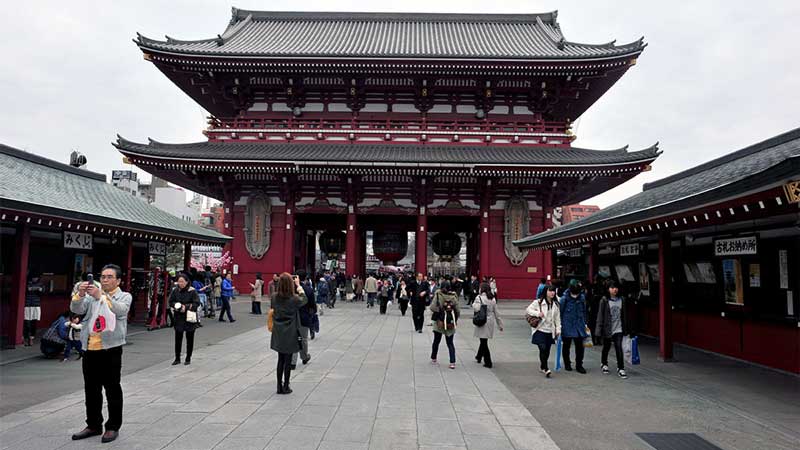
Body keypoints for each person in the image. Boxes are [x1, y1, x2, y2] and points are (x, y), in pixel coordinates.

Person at [70, 264, 132, 444]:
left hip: (110, 349)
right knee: (91, 389)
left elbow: (121, 311)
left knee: (112, 388)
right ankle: (93, 424)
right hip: (89, 348)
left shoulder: (124, 296)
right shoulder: (91, 296)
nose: (104, 279)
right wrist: (81, 294)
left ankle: (112, 426)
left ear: (118, 280)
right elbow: (77, 309)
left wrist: (102, 296)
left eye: (109, 277)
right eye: (103, 276)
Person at [271, 273, 305, 394]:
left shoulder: (274, 297)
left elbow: (273, 307)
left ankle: (279, 386)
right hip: (290, 331)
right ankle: (286, 385)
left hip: (278, 331)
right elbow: (304, 299)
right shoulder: (294, 299)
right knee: (288, 360)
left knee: (280, 359)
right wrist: (299, 286)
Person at [595, 280, 630, 379]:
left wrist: (627, 329)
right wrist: (598, 330)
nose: (615, 289)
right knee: (606, 346)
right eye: (612, 287)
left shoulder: (622, 299)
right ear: (608, 289)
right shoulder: (604, 300)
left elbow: (625, 315)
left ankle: (621, 368)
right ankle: (604, 363)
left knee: (619, 347)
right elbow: (600, 316)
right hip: (608, 328)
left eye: (616, 287)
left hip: (618, 328)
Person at [527, 285, 561, 377]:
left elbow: (557, 319)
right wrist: (538, 313)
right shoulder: (538, 302)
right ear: (546, 292)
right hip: (539, 329)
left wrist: (558, 330)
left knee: (547, 351)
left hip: (550, 331)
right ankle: (546, 368)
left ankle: (542, 366)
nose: (552, 293)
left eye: (553, 291)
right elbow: (528, 310)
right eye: (550, 291)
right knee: (543, 348)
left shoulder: (556, 305)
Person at [169, 273, 200, 366]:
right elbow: (171, 301)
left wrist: (185, 307)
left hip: (189, 317)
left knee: (189, 339)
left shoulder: (192, 291)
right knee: (178, 338)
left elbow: (196, 303)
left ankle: (188, 358)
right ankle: (177, 358)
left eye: (182, 281)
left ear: (187, 282)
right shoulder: (175, 291)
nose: (180, 283)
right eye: (179, 281)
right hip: (178, 317)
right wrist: (176, 305)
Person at [429, 281, 460, 369]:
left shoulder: (438, 295)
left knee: (436, 341)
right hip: (450, 322)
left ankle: (434, 358)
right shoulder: (454, 296)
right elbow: (458, 310)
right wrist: (455, 319)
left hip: (440, 321)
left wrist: (440, 310)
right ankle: (452, 362)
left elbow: (432, 307)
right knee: (450, 343)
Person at [473, 282, 504, 369]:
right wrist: (500, 324)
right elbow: (497, 313)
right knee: (484, 340)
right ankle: (478, 356)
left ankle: (488, 361)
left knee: (483, 342)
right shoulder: (492, 299)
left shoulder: (479, 298)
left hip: (482, 320)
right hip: (490, 321)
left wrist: (474, 304)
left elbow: (476, 308)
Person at [560, 279, 588, 374]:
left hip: (579, 325)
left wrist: (585, 323)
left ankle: (579, 365)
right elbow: (560, 312)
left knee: (580, 347)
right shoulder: (564, 299)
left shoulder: (582, 298)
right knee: (566, 346)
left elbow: (584, 311)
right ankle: (567, 363)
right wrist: (559, 326)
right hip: (567, 325)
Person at [292, 273, 314, 368]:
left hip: (292, 318)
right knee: (303, 339)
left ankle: (292, 362)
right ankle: (304, 357)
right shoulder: (308, 290)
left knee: (293, 339)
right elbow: (312, 304)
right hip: (304, 317)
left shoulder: (289, 289)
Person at [24, 274, 44, 346]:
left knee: (34, 321)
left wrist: (39, 289)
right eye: (33, 277)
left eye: (36, 277)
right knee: (26, 322)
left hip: (36, 304)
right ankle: (25, 337)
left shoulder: (40, 283)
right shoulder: (27, 282)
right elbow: (27, 289)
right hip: (27, 304)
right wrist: (33, 289)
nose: (35, 279)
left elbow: (43, 291)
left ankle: (31, 338)